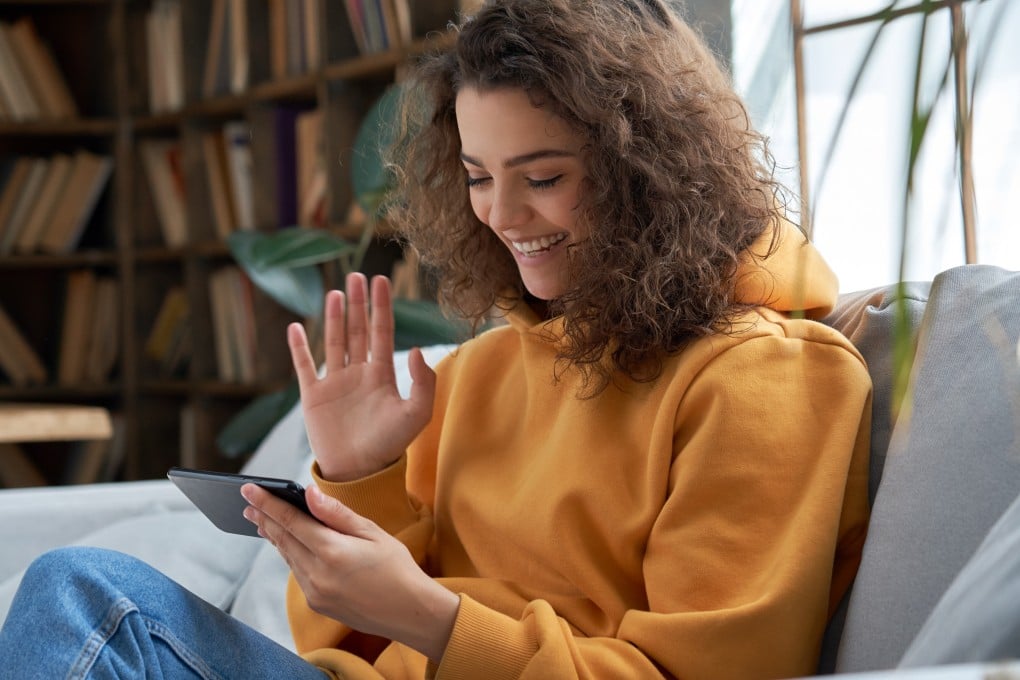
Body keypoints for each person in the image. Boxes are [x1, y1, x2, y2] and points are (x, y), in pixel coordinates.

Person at [0, 0, 872, 678]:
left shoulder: (768, 378)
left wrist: (431, 616)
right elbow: (344, 642)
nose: (502, 215)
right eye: (479, 177)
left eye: (544, 177)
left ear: (655, 169)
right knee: (78, 594)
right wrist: (358, 478)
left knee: (90, 600)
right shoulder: (490, 366)